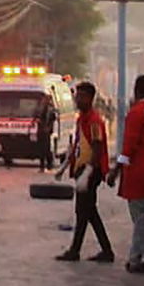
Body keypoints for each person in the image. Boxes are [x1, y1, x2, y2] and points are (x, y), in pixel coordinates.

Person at [108, 74, 144, 274]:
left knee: (139, 216)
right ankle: (135, 257)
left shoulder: (136, 113)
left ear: (136, 89)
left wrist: (116, 169)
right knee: (142, 213)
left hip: (138, 167)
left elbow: (129, 144)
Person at [55, 81, 115, 263]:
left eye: (81, 96)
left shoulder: (95, 120)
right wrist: (65, 166)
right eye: (76, 96)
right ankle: (97, 250)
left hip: (91, 169)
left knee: (85, 211)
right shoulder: (82, 118)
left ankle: (81, 250)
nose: (77, 100)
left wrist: (88, 172)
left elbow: (97, 148)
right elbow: (77, 144)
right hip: (83, 169)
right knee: (86, 212)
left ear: (90, 98)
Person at [35, 96, 57, 172]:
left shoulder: (51, 109)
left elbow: (52, 120)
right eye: (44, 99)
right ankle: (42, 166)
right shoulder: (40, 108)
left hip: (46, 132)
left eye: (46, 99)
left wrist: (48, 128)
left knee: (47, 149)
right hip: (40, 131)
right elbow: (36, 116)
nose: (44, 101)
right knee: (41, 149)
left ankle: (49, 164)